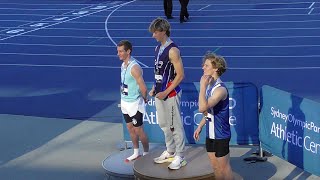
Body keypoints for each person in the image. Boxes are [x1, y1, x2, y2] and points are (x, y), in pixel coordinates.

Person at [148, 17, 186, 170]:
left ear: (163, 31)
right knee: (164, 125)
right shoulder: (158, 48)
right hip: (160, 93)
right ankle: (170, 151)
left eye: (155, 32)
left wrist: (165, 92)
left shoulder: (173, 50)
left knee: (174, 126)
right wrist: (155, 88)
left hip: (170, 94)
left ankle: (180, 155)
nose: (153, 36)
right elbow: (159, 72)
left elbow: (180, 75)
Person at [193, 52, 234, 179]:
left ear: (215, 68)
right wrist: (200, 126)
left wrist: (202, 86)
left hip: (221, 135)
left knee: (224, 168)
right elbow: (208, 113)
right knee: (215, 167)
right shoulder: (210, 86)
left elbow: (202, 108)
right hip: (210, 134)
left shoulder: (220, 90)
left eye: (206, 65)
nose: (203, 68)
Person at [117, 40, 149, 162]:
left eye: (120, 51)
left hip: (135, 103)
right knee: (130, 128)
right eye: (118, 51)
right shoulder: (123, 65)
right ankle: (136, 152)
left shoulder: (134, 68)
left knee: (139, 130)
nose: (118, 54)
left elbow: (143, 87)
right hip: (125, 102)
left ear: (128, 51)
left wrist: (144, 98)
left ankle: (146, 153)